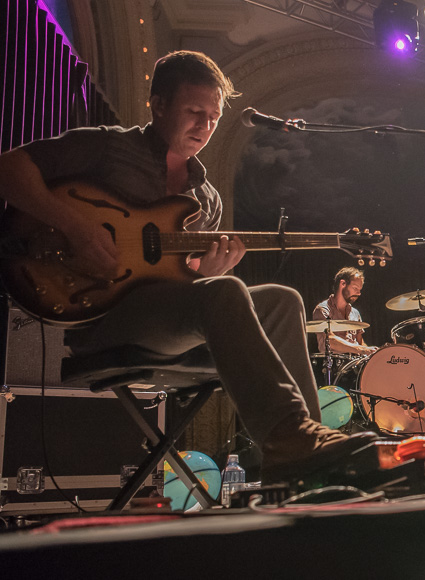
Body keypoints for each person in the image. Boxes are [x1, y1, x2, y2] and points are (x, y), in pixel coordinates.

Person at [0, 50, 375, 483]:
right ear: (158, 105)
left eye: (214, 117)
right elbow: (9, 169)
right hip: (104, 318)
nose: (205, 126)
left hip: (165, 324)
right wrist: (77, 229)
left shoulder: (206, 199)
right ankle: (288, 436)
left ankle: (308, 454)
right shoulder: (106, 146)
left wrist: (210, 272)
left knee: (282, 299)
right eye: (194, 112)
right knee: (225, 292)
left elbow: (189, 284)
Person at [312, 267, 375, 356]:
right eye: (355, 288)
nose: (359, 293)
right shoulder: (323, 309)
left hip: (355, 362)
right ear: (343, 283)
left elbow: (360, 342)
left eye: (360, 290)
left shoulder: (355, 313)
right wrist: (361, 349)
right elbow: (330, 340)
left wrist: (373, 351)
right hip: (333, 363)